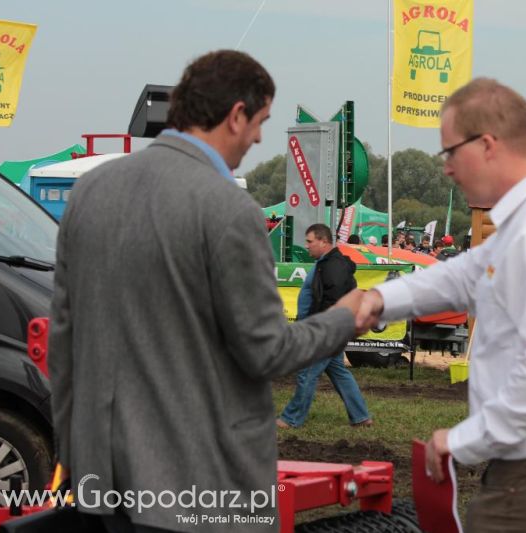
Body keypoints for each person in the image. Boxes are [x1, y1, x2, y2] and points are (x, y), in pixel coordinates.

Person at [49, 50, 364, 533]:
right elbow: (267, 350)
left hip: (100, 482)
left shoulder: (91, 191)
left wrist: (72, 453)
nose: (259, 136)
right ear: (236, 114)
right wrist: (348, 316)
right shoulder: (228, 210)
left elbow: (64, 342)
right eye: (260, 121)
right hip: (199, 488)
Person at [356, 78, 526, 532]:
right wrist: (381, 298)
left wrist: (462, 441)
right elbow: (468, 273)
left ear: (487, 145)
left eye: (449, 152)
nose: (445, 168)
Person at [277, 224, 372, 429]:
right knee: (338, 370)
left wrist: (322, 326)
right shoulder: (326, 263)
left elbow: (335, 299)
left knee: (307, 371)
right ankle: (361, 416)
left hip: (326, 330)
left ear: (323, 241)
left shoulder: (332, 265)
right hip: (330, 329)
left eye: (310, 241)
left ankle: (291, 418)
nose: (307, 245)